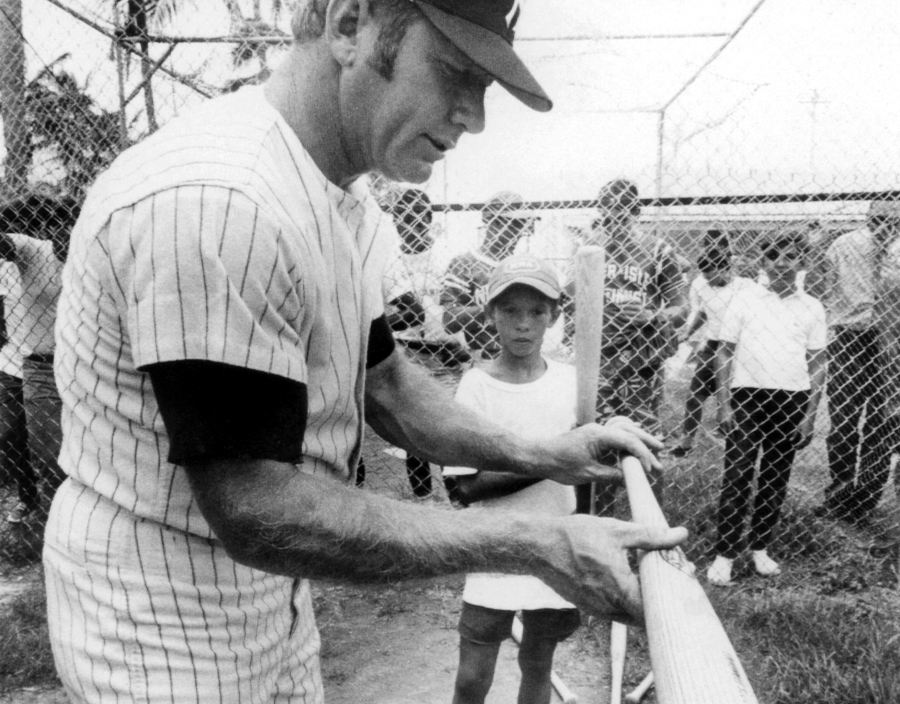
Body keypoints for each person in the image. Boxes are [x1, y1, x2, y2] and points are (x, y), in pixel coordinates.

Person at [43, 3, 687, 703]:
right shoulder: (220, 198)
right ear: (349, 26)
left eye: (486, 87)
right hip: (160, 616)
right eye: (454, 73)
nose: (474, 117)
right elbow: (258, 507)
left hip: (268, 591)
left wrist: (549, 453)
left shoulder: (345, 200)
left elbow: (387, 386)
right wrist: (537, 542)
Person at [444, 255, 579, 704]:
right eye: (510, 312)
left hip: (555, 542)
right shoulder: (476, 386)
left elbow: (590, 472)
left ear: (554, 317)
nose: (523, 325)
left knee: (538, 662)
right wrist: (551, 458)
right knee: (472, 674)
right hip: (495, 545)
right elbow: (463, 488)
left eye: (537, 312)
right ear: (490, 315)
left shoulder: (573, 383)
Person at [708, 231, 826, 586]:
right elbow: (724, 350)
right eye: (773, 255)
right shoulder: (745, 300)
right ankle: (724, 554)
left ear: (801, 262)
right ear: (763, 261)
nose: (781, 262)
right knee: (738, 474)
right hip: (747, 397)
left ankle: (760, 548)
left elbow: (818, 361)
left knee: (775, 477)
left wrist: (809, 414)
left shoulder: (812, 307)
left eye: (789, 256)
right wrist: (725, 402)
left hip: (791, 399)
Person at [575, 178, 686, 514]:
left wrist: (650, 314)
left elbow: (682, 307)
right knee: (597, 440)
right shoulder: (588, 248)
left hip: (642, 360)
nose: (614, 212)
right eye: (607, 205)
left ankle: (652, 527)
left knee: (645, 439)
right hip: (599, 361)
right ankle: (599, 521)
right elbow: (569, 298)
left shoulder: (658, 250)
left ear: (635, 210)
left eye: (622, 205)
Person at [814, 200, 900, 527]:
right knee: (845, 423)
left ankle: (863, 502)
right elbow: (828, 285)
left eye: (893, 222)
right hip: (851, 338)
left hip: (891, 340)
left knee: (882, 425)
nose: (885, 228)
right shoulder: (844, 244)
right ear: (867, 217)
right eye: (878, 219)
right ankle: (839, 494)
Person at [380, 187, 469, 498]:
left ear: (428, 221)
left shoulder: (445, 255)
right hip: (407, 350)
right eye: (405, 221)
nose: (412, 228)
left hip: (444, 351)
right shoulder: (390, 258)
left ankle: (456, 498)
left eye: (419, 221)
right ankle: (423, 500)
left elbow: (452, 308)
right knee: (412, 429)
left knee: (448, 427)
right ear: (396, 222)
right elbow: (408, 315)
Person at [0, 194, 76, 525]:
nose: (61, 231)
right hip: (32, 361)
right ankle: (37, 501)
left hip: (80, 363)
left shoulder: (93, 255)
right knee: (32, 444)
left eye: (69, 224)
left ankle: (72, 511)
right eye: (53, 224)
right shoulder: (31, 250)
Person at [671, 240, 755, 458]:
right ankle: (686, 440)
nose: (707, 280)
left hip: (739, 347)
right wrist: (688, 332)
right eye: (704, 276)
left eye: (711, 275)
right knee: (695, 394)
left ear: (725, 268)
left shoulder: (745, 287)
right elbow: (704, 313)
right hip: (713, 343)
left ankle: (732, 438)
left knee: (732, 396)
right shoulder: (702, 284)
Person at [441, 190, 537, 359]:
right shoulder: (464, 263)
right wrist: (493, 307)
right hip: (482, 356)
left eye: (521, 224)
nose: (518, 232)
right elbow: (450, 321)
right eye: (513, 223)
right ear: (492, 222)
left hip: (522, 357)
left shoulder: (525, 266)